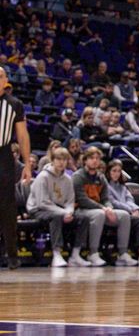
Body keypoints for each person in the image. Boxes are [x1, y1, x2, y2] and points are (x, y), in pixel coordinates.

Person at [72, 146, 137, 266]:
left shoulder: (101, 177)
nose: (95, 161)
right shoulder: (78, 176)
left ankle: (122, 254)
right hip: (80, 209)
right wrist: (103, 208)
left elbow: (106, 198)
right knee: (99, 214)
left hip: (99, 209)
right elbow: (82, 200)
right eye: (91, 158)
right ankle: (93, 253)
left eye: (97, 158)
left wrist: (109, 208)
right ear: (85, 160)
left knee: (124, 215)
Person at [26, 148, 84, 267]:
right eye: (58, 159)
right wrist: (63, 213)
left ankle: (75, 254)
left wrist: (69, 212)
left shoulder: (68, 179)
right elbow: (42, 202)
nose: (61, 162)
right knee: (56, 216)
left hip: (60, 208)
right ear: (52, 160)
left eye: (64, 159)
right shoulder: (43, 177)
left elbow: (70, 201)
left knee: (83, 218)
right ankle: (56, 253)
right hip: (38, 209)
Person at [0, 67, 31, 269]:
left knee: (7, 207)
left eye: (2, 75)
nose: (2, 78)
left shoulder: (15, 104)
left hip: (3, 155)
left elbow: (22, 136)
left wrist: (27, 163)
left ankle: (12, 254)